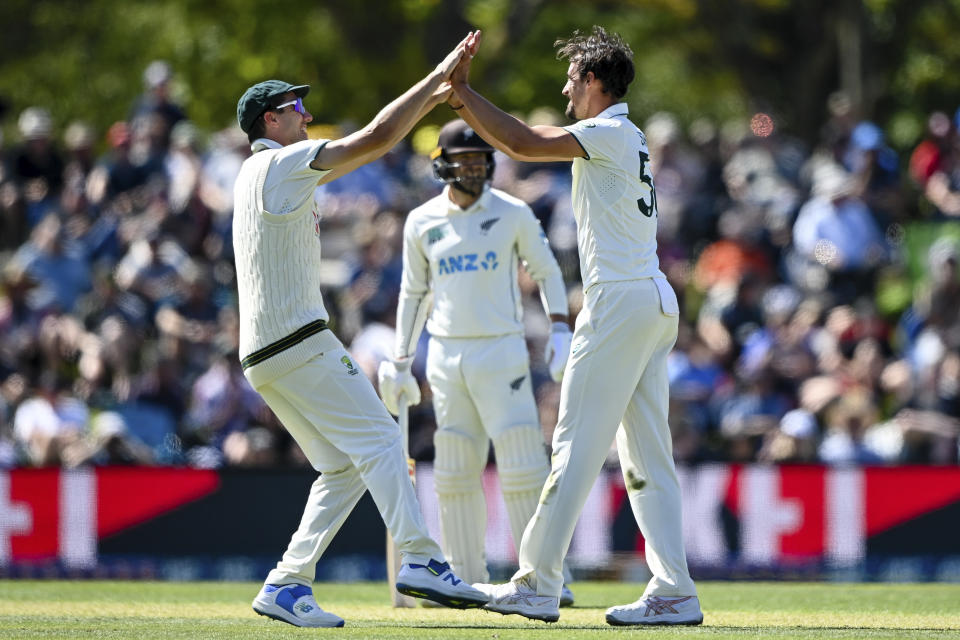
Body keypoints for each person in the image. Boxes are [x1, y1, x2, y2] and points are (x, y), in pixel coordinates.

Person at [447, 27, 703, 626]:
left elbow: (520, 141)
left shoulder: (610, 131)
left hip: (619, 303)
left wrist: (460, 94)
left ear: (593, 81)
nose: (565, 90)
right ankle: (674, 588)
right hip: (649, 299)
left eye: (570, 79)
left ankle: (536, 582)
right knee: (646, 460)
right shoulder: (629, 134)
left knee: (573, 447)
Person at [232, 33, 487, 628]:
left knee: (343, 466)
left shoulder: (250, 174)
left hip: (262, 354)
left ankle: (287, 582)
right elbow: (373, 139)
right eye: (297, 110)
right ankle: (423, 560)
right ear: (272, 119)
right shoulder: (280, 161)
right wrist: (436, 82)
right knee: (381, 441)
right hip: (298, 340)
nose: (308, 117)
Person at [377, 119, 576, 606]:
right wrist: (401, 358)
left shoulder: (511, 212)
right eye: (464, 161)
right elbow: (413, 292)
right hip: (446, 354)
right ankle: (462, 578)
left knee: (523, 462)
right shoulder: (421, 221)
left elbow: (546, 269)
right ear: (443, 165)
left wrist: (560, 327)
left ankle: (544, 577)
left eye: (481, 160)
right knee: (455, 466)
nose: (474, 168)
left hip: (501, 348)